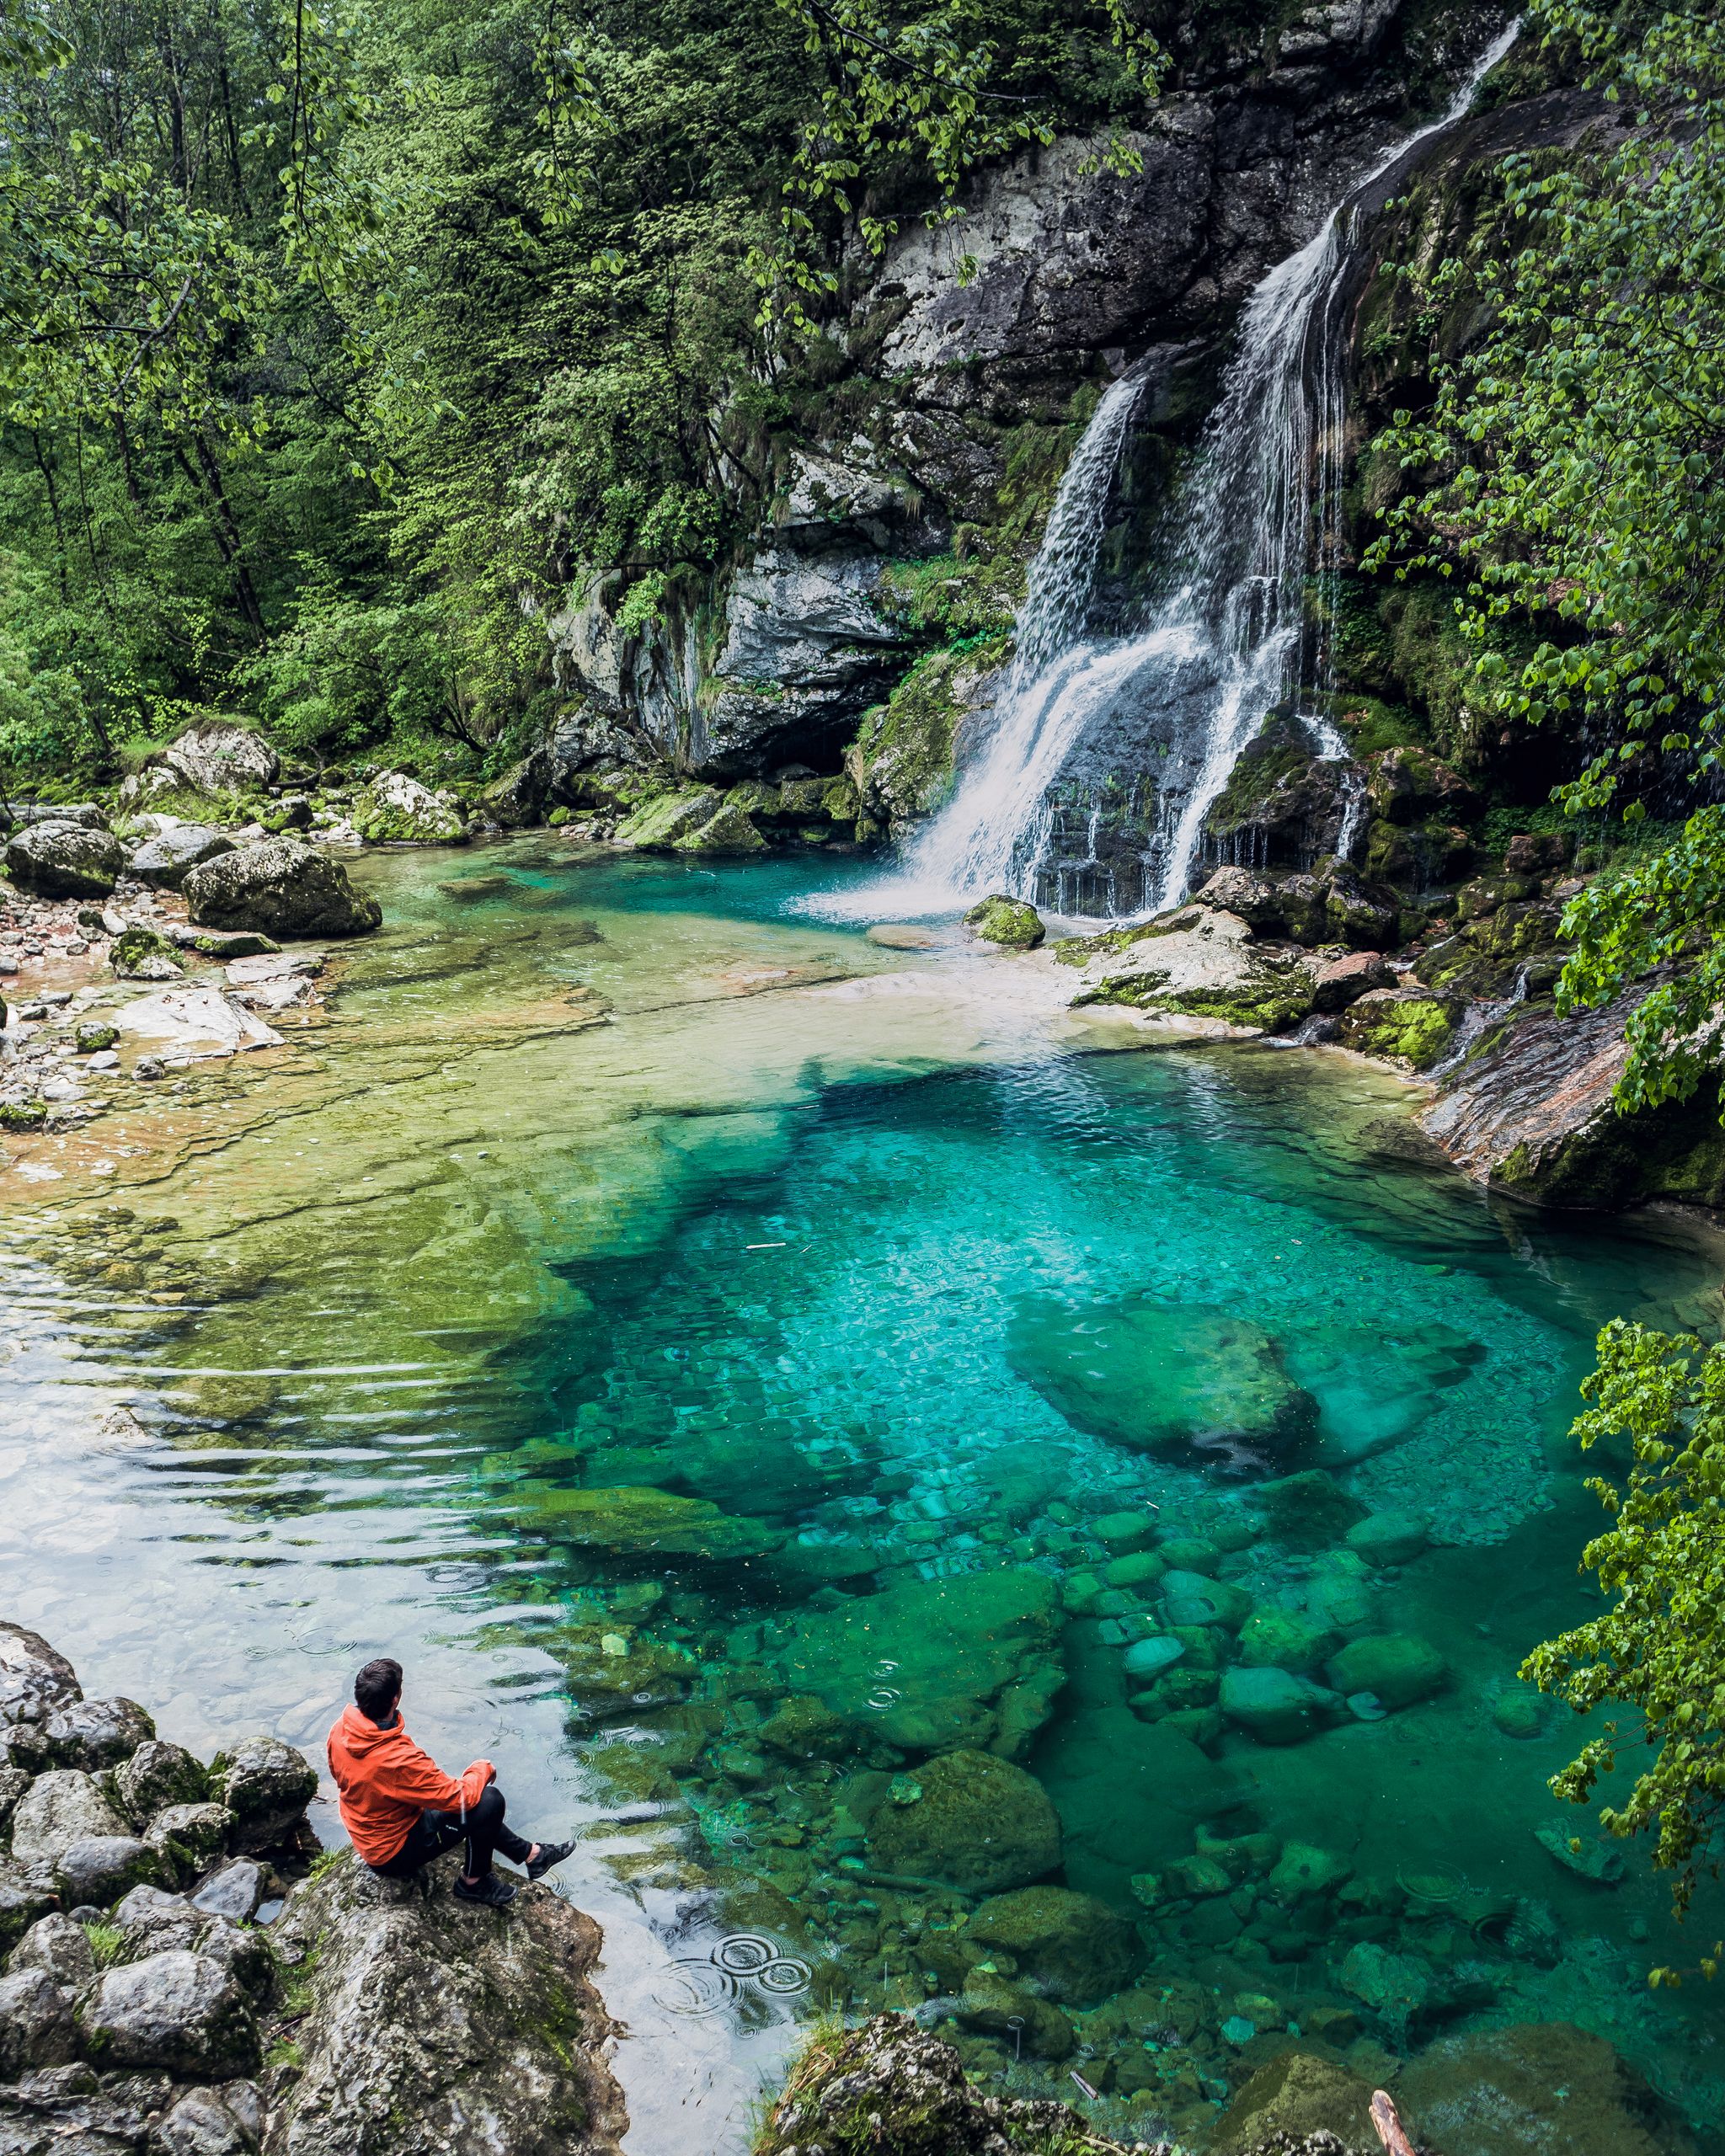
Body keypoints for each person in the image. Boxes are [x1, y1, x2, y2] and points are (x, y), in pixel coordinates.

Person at [327, 1657, 573, 1908]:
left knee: (466, 1804)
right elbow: (460, 1799)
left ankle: (533, 1855)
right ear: (395, 1699)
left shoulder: (341, 1730)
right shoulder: (397, 1759)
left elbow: (340, 1773)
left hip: (369, 1828)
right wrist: (482, 1768)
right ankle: (474, 1882)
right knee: (488, 1802)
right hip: (392, 1851)